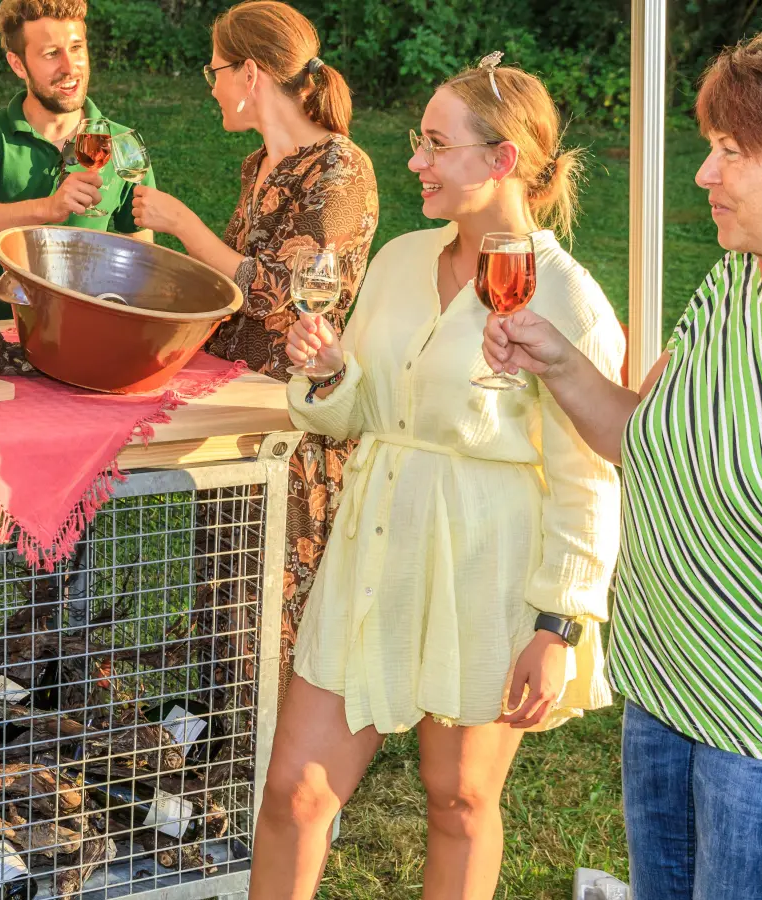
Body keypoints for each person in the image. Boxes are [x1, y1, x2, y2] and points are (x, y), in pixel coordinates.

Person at [261, 56, 623, 898]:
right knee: (295, 792)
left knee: (459, 800)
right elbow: (358, 416)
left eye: (435, 144)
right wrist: (326, 377)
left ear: (502, 161)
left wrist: (557, 621)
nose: (416, 161)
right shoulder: (398, 259)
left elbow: (588, 474)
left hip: (484, 566)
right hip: (373, 550)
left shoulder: (564, 297)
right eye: (416, 141)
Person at [483, 25, 762, 899]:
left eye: (732, 151)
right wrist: (557, 360)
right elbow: (644, 440)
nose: (703, 174)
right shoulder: (734, 286)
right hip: (667, 684)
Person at [129, 0, 377, 705]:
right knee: (224, 597)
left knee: (273, 604)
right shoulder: (259, 164)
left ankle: (284, 776)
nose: (209, 87)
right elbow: (232, 293)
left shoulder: (340, 167)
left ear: (250, 72)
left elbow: (283, 292)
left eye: (214, 70)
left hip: (291, 420)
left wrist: (183, 225)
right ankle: (229, 776)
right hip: (230, 411)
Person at [0, 0, 155, 321]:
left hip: (84, 330)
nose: (71, 67)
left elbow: (142, 259)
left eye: (77, 48)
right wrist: (48, 208)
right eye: (52, 54)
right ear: (17, 64)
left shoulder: (122, 143)